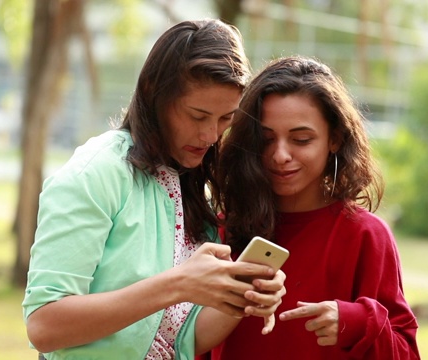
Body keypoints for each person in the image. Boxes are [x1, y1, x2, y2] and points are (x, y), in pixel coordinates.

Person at [22, 19, 286, 360]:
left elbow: (179, 342)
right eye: (197, 115)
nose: (210, 135)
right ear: (153, 92)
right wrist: (178, 285)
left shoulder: (188, 182)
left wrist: (240, 297)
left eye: (225, 119)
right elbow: (44, 326)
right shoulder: (97, 173)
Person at [209, 56, 420, 359]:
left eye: (301, 139)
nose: (280, 155)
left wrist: (357, 322)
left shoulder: (365, 236)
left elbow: (406, 352)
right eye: (266, 140)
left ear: (334, 139)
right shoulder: (222, 230)